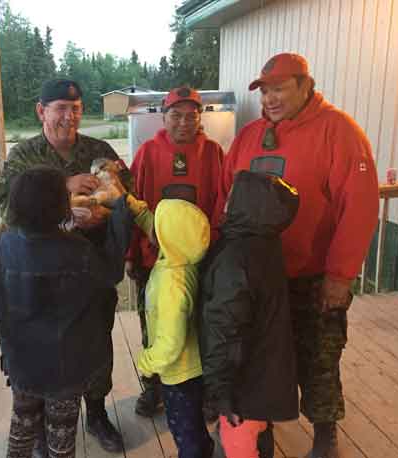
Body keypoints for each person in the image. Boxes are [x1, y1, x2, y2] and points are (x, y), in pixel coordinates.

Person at [212, 53, 379, 458]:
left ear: (306, 86)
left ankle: (326, 436)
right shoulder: (250, 135)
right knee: (259, 358)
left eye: (280, 88)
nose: (270, 98)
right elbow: (225, 198)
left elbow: (359, 207)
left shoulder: (339, 131)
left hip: (313, 275)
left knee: (319, 357)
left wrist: (340, 275)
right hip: (257, 277)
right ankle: (259, 428)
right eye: (265, 90)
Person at [0, 79, 133, 453]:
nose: (69, 116)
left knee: (96, 343)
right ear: (42, 111)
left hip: (91, 270)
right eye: (60, 108)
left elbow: (128, 196)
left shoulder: (99, 150)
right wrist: (64, 191)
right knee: (45, 348)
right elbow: (9, 212)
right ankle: (43, 425)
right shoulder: (24, 156)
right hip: (42, 277)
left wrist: (102, 214)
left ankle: (97, 413)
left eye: (75, 108)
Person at [125, 87, 224, 417]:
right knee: (152, 325)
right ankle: (153, 386)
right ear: (164, 117)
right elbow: (132, 202)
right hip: (155, 261)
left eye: (191, 116)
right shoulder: (148, 153)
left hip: (202, 261)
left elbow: (222, 203)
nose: (184, 122)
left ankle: (206, 390)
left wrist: (213, 249)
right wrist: (132, 255)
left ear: (200, 118)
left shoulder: (213, 152)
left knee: (202, 325)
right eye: (176, 115)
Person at [201, 171, 300, 458]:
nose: (226, 202)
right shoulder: (264, 242)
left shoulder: (236, 259)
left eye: (233, 196)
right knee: (260, 432)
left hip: (243, 386)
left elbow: (225, 329)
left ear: (249, 205)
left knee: (239, 443)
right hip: (264, 377)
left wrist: (221, 391)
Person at [133, 197, 215, 458]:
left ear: (168, 237)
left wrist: (146, 362)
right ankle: (205, 449)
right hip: (193, 367)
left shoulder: (172, 286)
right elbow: (157, 227)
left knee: (183, 429)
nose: (153, 231)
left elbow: (170, 344)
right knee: (193, 422)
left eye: (158, 227)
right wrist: (133, 206)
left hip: (178, 374)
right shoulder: (183, 259)